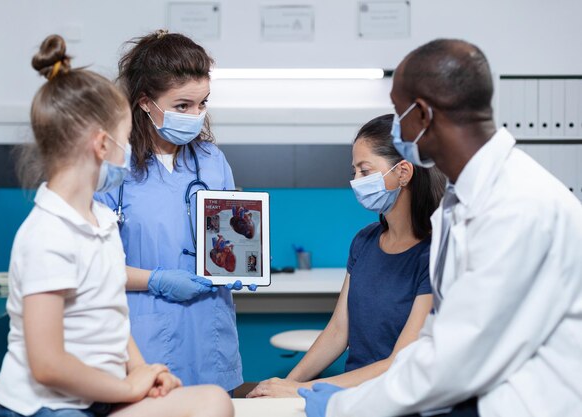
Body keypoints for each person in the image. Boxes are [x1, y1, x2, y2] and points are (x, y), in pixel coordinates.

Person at [299, 39, 582, 417]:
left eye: (399, 115)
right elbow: (436, 338)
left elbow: (455, 360)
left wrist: (341, 406)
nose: (397, 129)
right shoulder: (459, 203)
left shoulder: (518, 205)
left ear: (422, 116)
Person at [0, 35, 233, 417]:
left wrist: (140, 370)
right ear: (103, 145)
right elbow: (47, 364)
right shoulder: (47, 235)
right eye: (124, 140)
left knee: (216, 402)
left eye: (202, 104)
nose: (129, 150)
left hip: (107, 386)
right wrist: (128, 382)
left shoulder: (99, 220)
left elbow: (110, 315)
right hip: (51, 404)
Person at [248, 114, 445, 398]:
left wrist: (303, 390)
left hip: (399, 400)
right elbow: (339, 330)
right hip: (350, 399)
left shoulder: (434, 253)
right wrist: (285, 386)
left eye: (365, 171)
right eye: (354, 171)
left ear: (403, 173)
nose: (356, 181)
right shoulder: (365, 241)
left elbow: (400, 362)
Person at [95, 30, 249, 394]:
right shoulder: (112, 167)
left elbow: (229, 235)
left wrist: (247, 259)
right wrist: (156, 279)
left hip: (210, 332)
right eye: (182, 106)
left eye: (202, 104)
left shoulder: (212, 162)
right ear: (146, 102)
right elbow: (92, 266)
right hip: (142, 338)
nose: (196, 115)